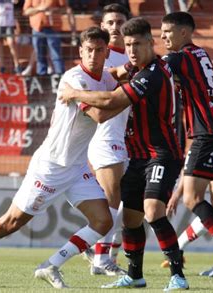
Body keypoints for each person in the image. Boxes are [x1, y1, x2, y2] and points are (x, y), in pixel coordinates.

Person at [0, 26, 118, 289]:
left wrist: (127, 75)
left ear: (107, 52)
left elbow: (112, 78)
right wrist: (130, 94)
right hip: (50, 166)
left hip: (77, 166)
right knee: (11, 222)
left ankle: (51, 265)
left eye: (98, 50)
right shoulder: (74, 78)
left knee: (103, 221)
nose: (93, 55)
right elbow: (100, 115)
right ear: (80, 51)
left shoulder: (106, 79)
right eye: (88, 50)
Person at [59, 17, 189, 290]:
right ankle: (134, 275)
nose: (131, 49)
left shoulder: (151, 74)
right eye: (128, 44)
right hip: (138, 155)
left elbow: (109, 101)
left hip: (162, 154)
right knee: (130, 218)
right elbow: (117, 73)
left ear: (151, 44)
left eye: (137, 44)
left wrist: (74, 92)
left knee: (153, 211)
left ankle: (178, 275)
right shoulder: (136, 66)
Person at [160, 12, 213, 276]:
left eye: (167, 32)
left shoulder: (180, 56)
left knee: (192, 197)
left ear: (184, 33)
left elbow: (153, 70)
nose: (163, 37)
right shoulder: (201, 55)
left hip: (207, 133)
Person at [85, 3, 130, 275]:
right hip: (105, 135)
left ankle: (104, 252)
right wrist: (122, 72)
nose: (115, 27)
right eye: (110, 22)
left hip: (127, 136)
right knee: (112, 200)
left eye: (119, 22)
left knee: (124, 203)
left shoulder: (133, 55)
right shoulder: (100, 57)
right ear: (102, 27)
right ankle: (101, 259)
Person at [23, 0, 66, 77]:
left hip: (53, 28)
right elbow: (26, 11)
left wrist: (53, 10)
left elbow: (64, 9)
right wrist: (40, 9)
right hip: (37, 28)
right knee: (40, 54)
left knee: (55, 53)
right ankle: (41, 76)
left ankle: (60, 75)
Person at [0, 0, 22, 74]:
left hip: (9, 19)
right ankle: (2, 66)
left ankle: (17, 65)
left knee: (11, 43)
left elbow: (16, 1)